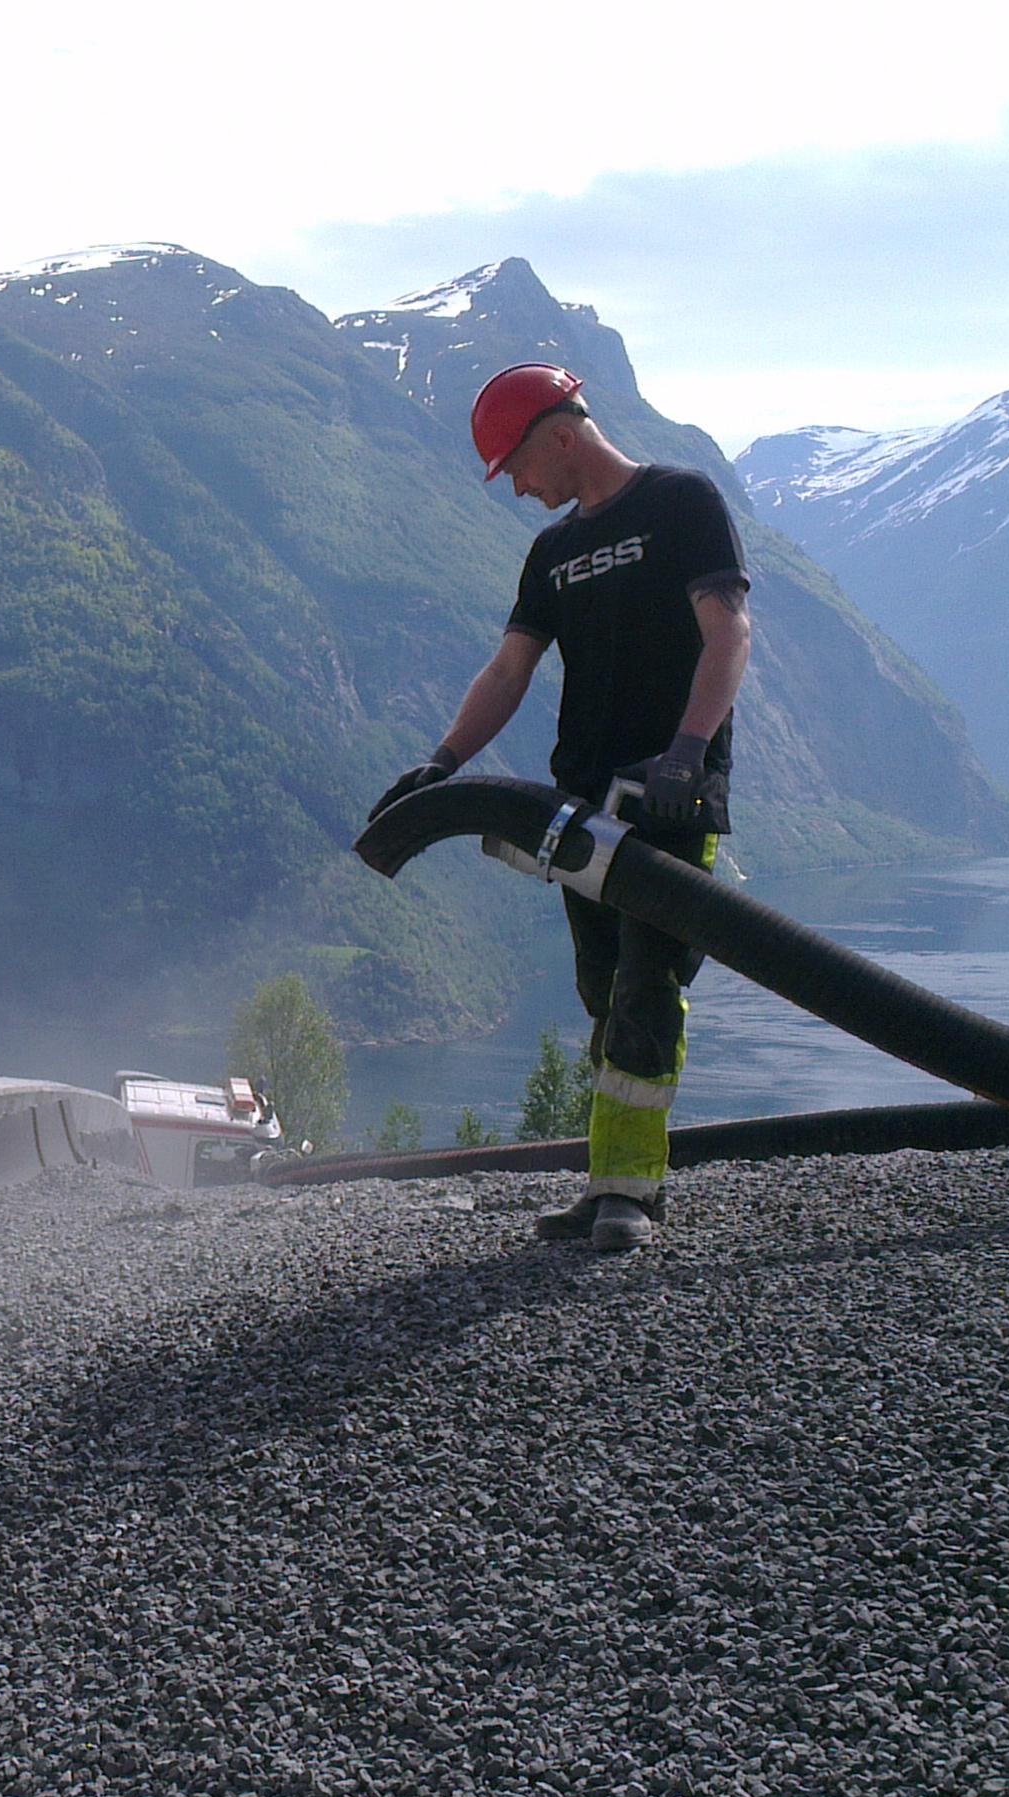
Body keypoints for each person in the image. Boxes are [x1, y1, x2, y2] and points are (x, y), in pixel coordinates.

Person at [367, 362, 752, 1252]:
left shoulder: (681, 503)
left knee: (645, 989)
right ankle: (609, 1181)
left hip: (668, 801)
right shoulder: (553, 554)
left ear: (561, 435)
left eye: (518, 467)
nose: (518, 488)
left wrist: (689, 751)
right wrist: (443, 763)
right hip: (583, 811)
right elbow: (510, 670)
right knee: (599, 990)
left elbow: (727, 632)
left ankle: (628, 1196)